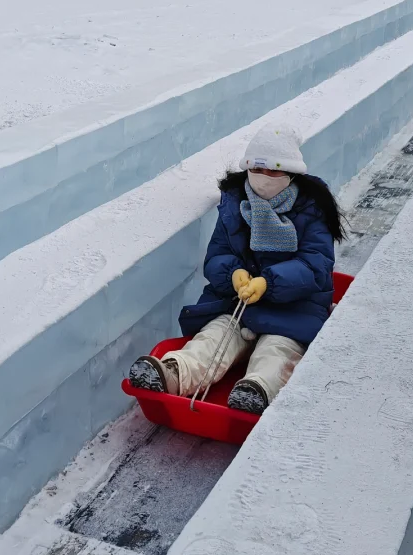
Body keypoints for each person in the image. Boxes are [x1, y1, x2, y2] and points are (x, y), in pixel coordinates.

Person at [128, 127, 345, 414]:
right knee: (213, 339)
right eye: (258, 168)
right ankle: (172, 373)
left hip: (295, 308)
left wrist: (269, 283)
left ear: (292, 174)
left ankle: (257, 390)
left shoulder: (312, 209)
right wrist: (233, 274)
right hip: (235, 304)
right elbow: (218, 254)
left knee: (277, 351)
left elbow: (316, 266)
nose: (264, 177)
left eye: (274, 171)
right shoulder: (235, 204)